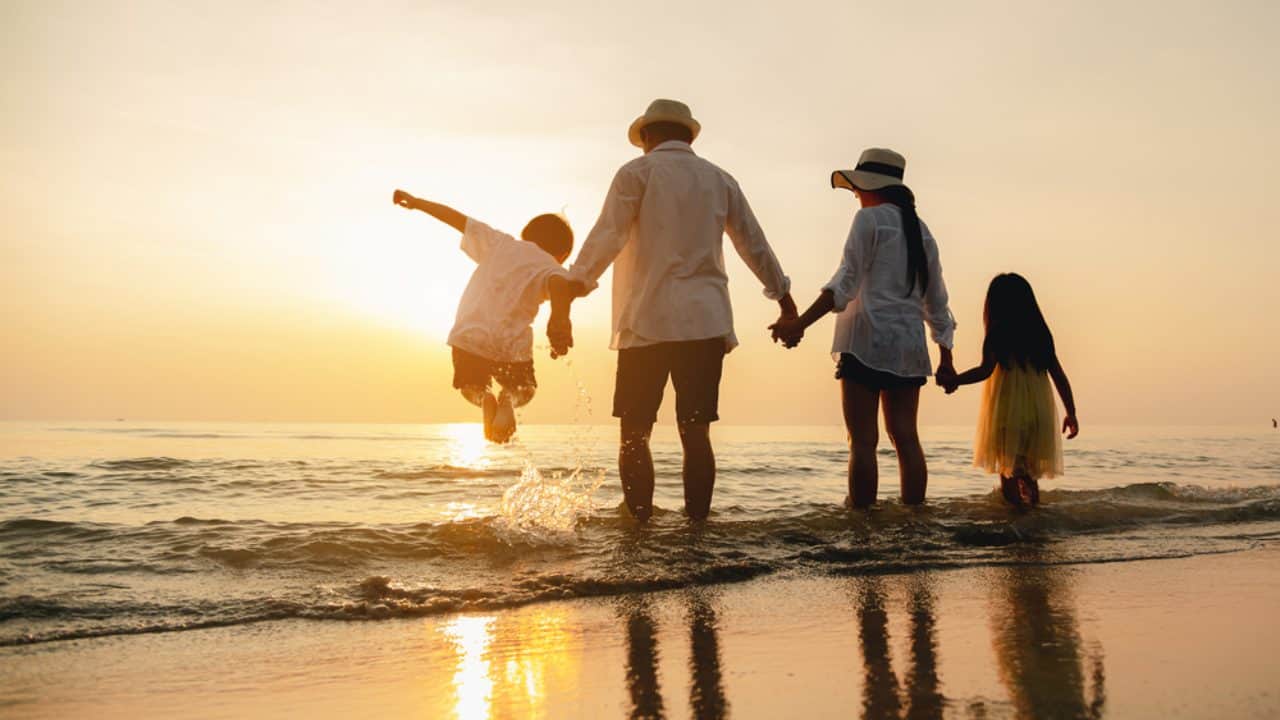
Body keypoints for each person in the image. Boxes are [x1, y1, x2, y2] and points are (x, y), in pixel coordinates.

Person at [546, 98, 797, 522]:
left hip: (646, 321)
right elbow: (753, 244)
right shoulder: (720, 179)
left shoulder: (636, 173)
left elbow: (606, 237)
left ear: (646, 136)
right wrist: (786, 304)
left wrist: (571, 291)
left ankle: (639, 529)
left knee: (634, 433)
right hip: (705, 322)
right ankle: (697, 532)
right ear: (689, 135)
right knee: (695, 432)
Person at [772, 148, 955, 508]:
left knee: (863, 441)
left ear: (871, 188)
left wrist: (799, 324)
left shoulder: (868, 221)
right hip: (908, 347)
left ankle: (863, 524)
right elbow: (937, 301)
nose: (855, 194)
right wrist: (945, 357)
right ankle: (914, 521)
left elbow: (844, 284)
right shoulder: (922, 230)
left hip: (866, 341)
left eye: (857, 188)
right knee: (906, 438)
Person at [392, 189, 572, 443]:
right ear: (563, 255)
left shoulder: (500, 243)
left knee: (470, 386)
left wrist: (418, 203)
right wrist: (560, 319)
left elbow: (458, 220)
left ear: (525, 235)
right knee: (525, 389)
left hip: (468, 336)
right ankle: (507, 399)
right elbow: (558, 284)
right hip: (511, 344)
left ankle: (484, 397)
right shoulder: (551, 266)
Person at [939, 273, 1079, 507]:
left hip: (1008, 413)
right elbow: (1059, 376)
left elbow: (984, 370)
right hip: (1038, 414)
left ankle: (1015, 520)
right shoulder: (1040, 335)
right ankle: (1033, 515)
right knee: (1028, 472)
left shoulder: (998, 333)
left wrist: (955, 381)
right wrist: (1071, 412)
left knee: (1008, 471)